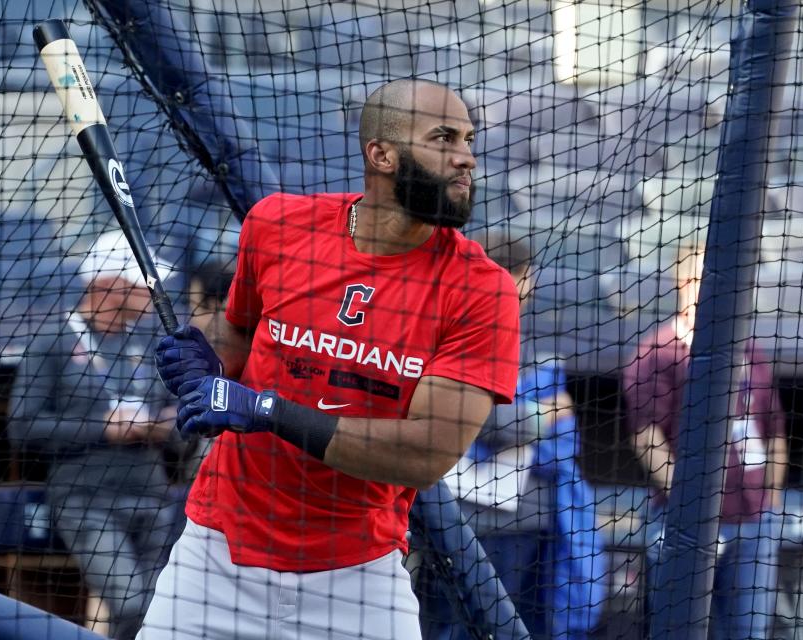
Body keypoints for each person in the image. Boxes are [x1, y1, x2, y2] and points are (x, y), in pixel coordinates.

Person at [140, 78, 522, 640]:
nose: (466, 157)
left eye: (468, 140)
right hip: (215, 556)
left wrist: (268, 410)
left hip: (356, 577)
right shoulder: (277, 224)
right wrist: (206, 357)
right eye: (444, 138)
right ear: (381, 154)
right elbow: (240, 336)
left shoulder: (481, 290)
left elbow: (423, 455)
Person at [7, 231, 192, 640]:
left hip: (153, 498)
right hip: (86, 500)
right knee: (132, 604)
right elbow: (22, 427)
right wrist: (103, 430)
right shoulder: (53, 340)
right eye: (141, 285)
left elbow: (179, 421)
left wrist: (166, 423)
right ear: (107, 285)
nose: (151, 294)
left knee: (164, 611)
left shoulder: (150, 342)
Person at [421, 232, 606, 640]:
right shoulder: (454, 330)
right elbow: (490, 421)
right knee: (455, 625)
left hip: (522, 519)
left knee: (513, 625)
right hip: (464, 514)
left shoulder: (536, 338)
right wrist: (543, 416)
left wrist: (536, 420)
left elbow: (566, 432)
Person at [623, 242, 787, 639]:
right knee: (677, 628)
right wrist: (693, 504)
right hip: (686, 523)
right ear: (684, 284)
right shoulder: (657, 354)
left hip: (752, 520)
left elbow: (774, 431)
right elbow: (647, 441)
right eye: (705, 278)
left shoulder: (751, 351)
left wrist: (769, 499)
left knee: (749, 631)